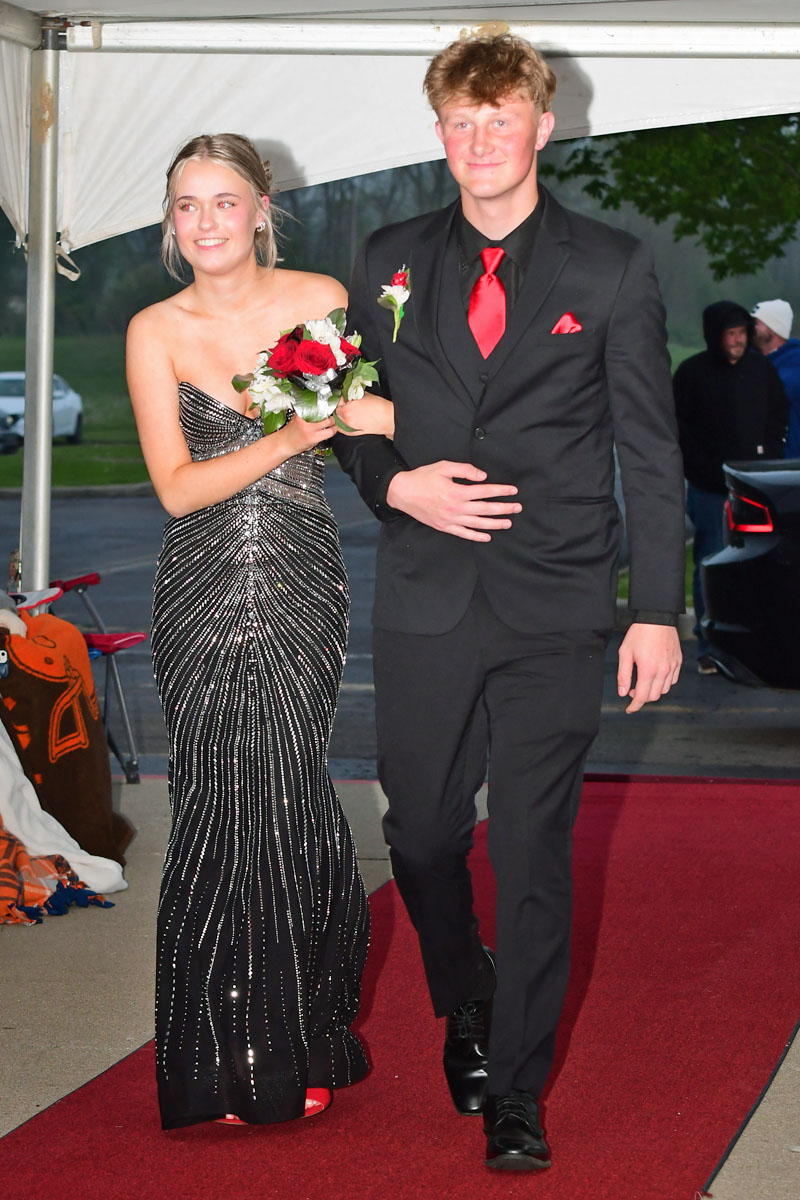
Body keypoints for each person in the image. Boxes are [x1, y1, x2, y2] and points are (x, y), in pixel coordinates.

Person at [334, 33, 685, 1172]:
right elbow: (349, 411)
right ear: (439, 132)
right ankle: (466, 990)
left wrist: (655, 609)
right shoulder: (385, 258)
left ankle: (515, 1091)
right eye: (461, 121)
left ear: (543, 124)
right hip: (425, 594)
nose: (481, 139)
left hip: (557, 601)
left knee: (533, 848)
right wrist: (396, 485)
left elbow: (649, 448)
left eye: (501, 118)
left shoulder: (612, 266)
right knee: (423, 832)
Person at [126, 133, 380, 1130]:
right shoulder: (155, 329)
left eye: (223, 202)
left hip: (301, 582)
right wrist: (285, 437)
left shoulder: (320, 298)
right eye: (186, 205)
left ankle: (296, 1040)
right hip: (198, 588)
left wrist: (470, 434)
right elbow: (177, 488)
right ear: (170, 220)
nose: (205, 223)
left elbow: (362, 417)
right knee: (215, 804)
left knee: (285, 799)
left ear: (261, 209)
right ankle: (216, 1061)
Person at [674, 300, 787, 672]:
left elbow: (777, 417)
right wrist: (704, 471)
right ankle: (710, 647)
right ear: (714, 336)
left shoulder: (762, 370)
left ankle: (752, 644)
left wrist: (768, 459)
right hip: (709, 490)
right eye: (730, 334)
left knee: (759, 565)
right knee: (711, 563)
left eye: (742, 333)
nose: (737, 340)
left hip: (755, 488)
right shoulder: (691, 374)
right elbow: (678, 430)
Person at [751, 299, 800, 458]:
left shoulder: (795, 361)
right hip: (758, 456)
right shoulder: (749, 358)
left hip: (789, 460)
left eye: (756, 323)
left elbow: (770, 394)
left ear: (773, 328)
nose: (749, 328)